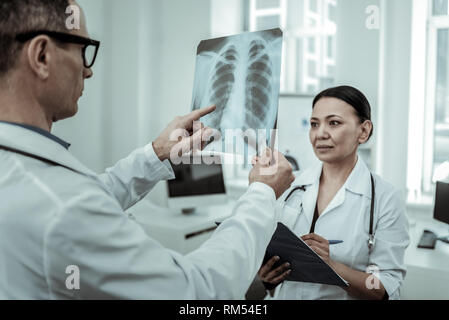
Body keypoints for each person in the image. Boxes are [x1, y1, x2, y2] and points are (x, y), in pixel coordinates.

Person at [0, 0, 295, 299]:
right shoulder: (62, 204)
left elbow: (93, 194)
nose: (88, 71)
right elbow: (195, 292)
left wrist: (157, 152)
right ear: (41, 55)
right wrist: (262, 193)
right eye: (82, 50)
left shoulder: (25, 173)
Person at [258, 86, 410, 300]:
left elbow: (383, 286)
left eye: (334, 122)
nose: (320, 133)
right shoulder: (291, 185)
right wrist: (267, 277)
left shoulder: (385, 198)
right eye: (314, 124)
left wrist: (331, 266)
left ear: (364, 131)